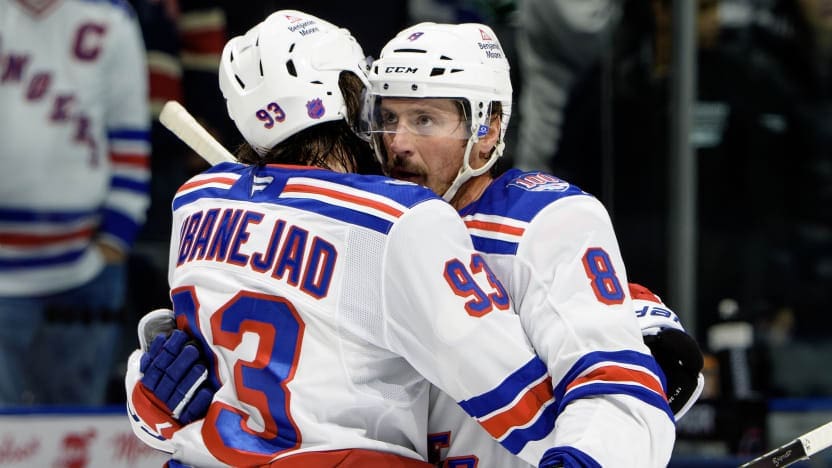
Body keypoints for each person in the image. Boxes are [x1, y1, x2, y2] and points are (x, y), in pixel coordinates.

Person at [124, 10, 590, 467]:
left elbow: (170, 400)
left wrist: (149, 396)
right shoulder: (398, 215)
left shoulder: (195, 202)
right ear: (347, 95)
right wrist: (616, 405)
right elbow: (516, 399)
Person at [365, 22, 694, 466]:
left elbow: (615, 389)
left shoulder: (544, 221)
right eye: (389, 119)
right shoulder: (370, 223)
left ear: (486, 129)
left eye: (424, 119)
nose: (397, 143)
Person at [0, 0, 150, 405]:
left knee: (75, 429)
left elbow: (129, 130)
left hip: (86, 272)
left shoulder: (110, 15)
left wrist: (115, 241)